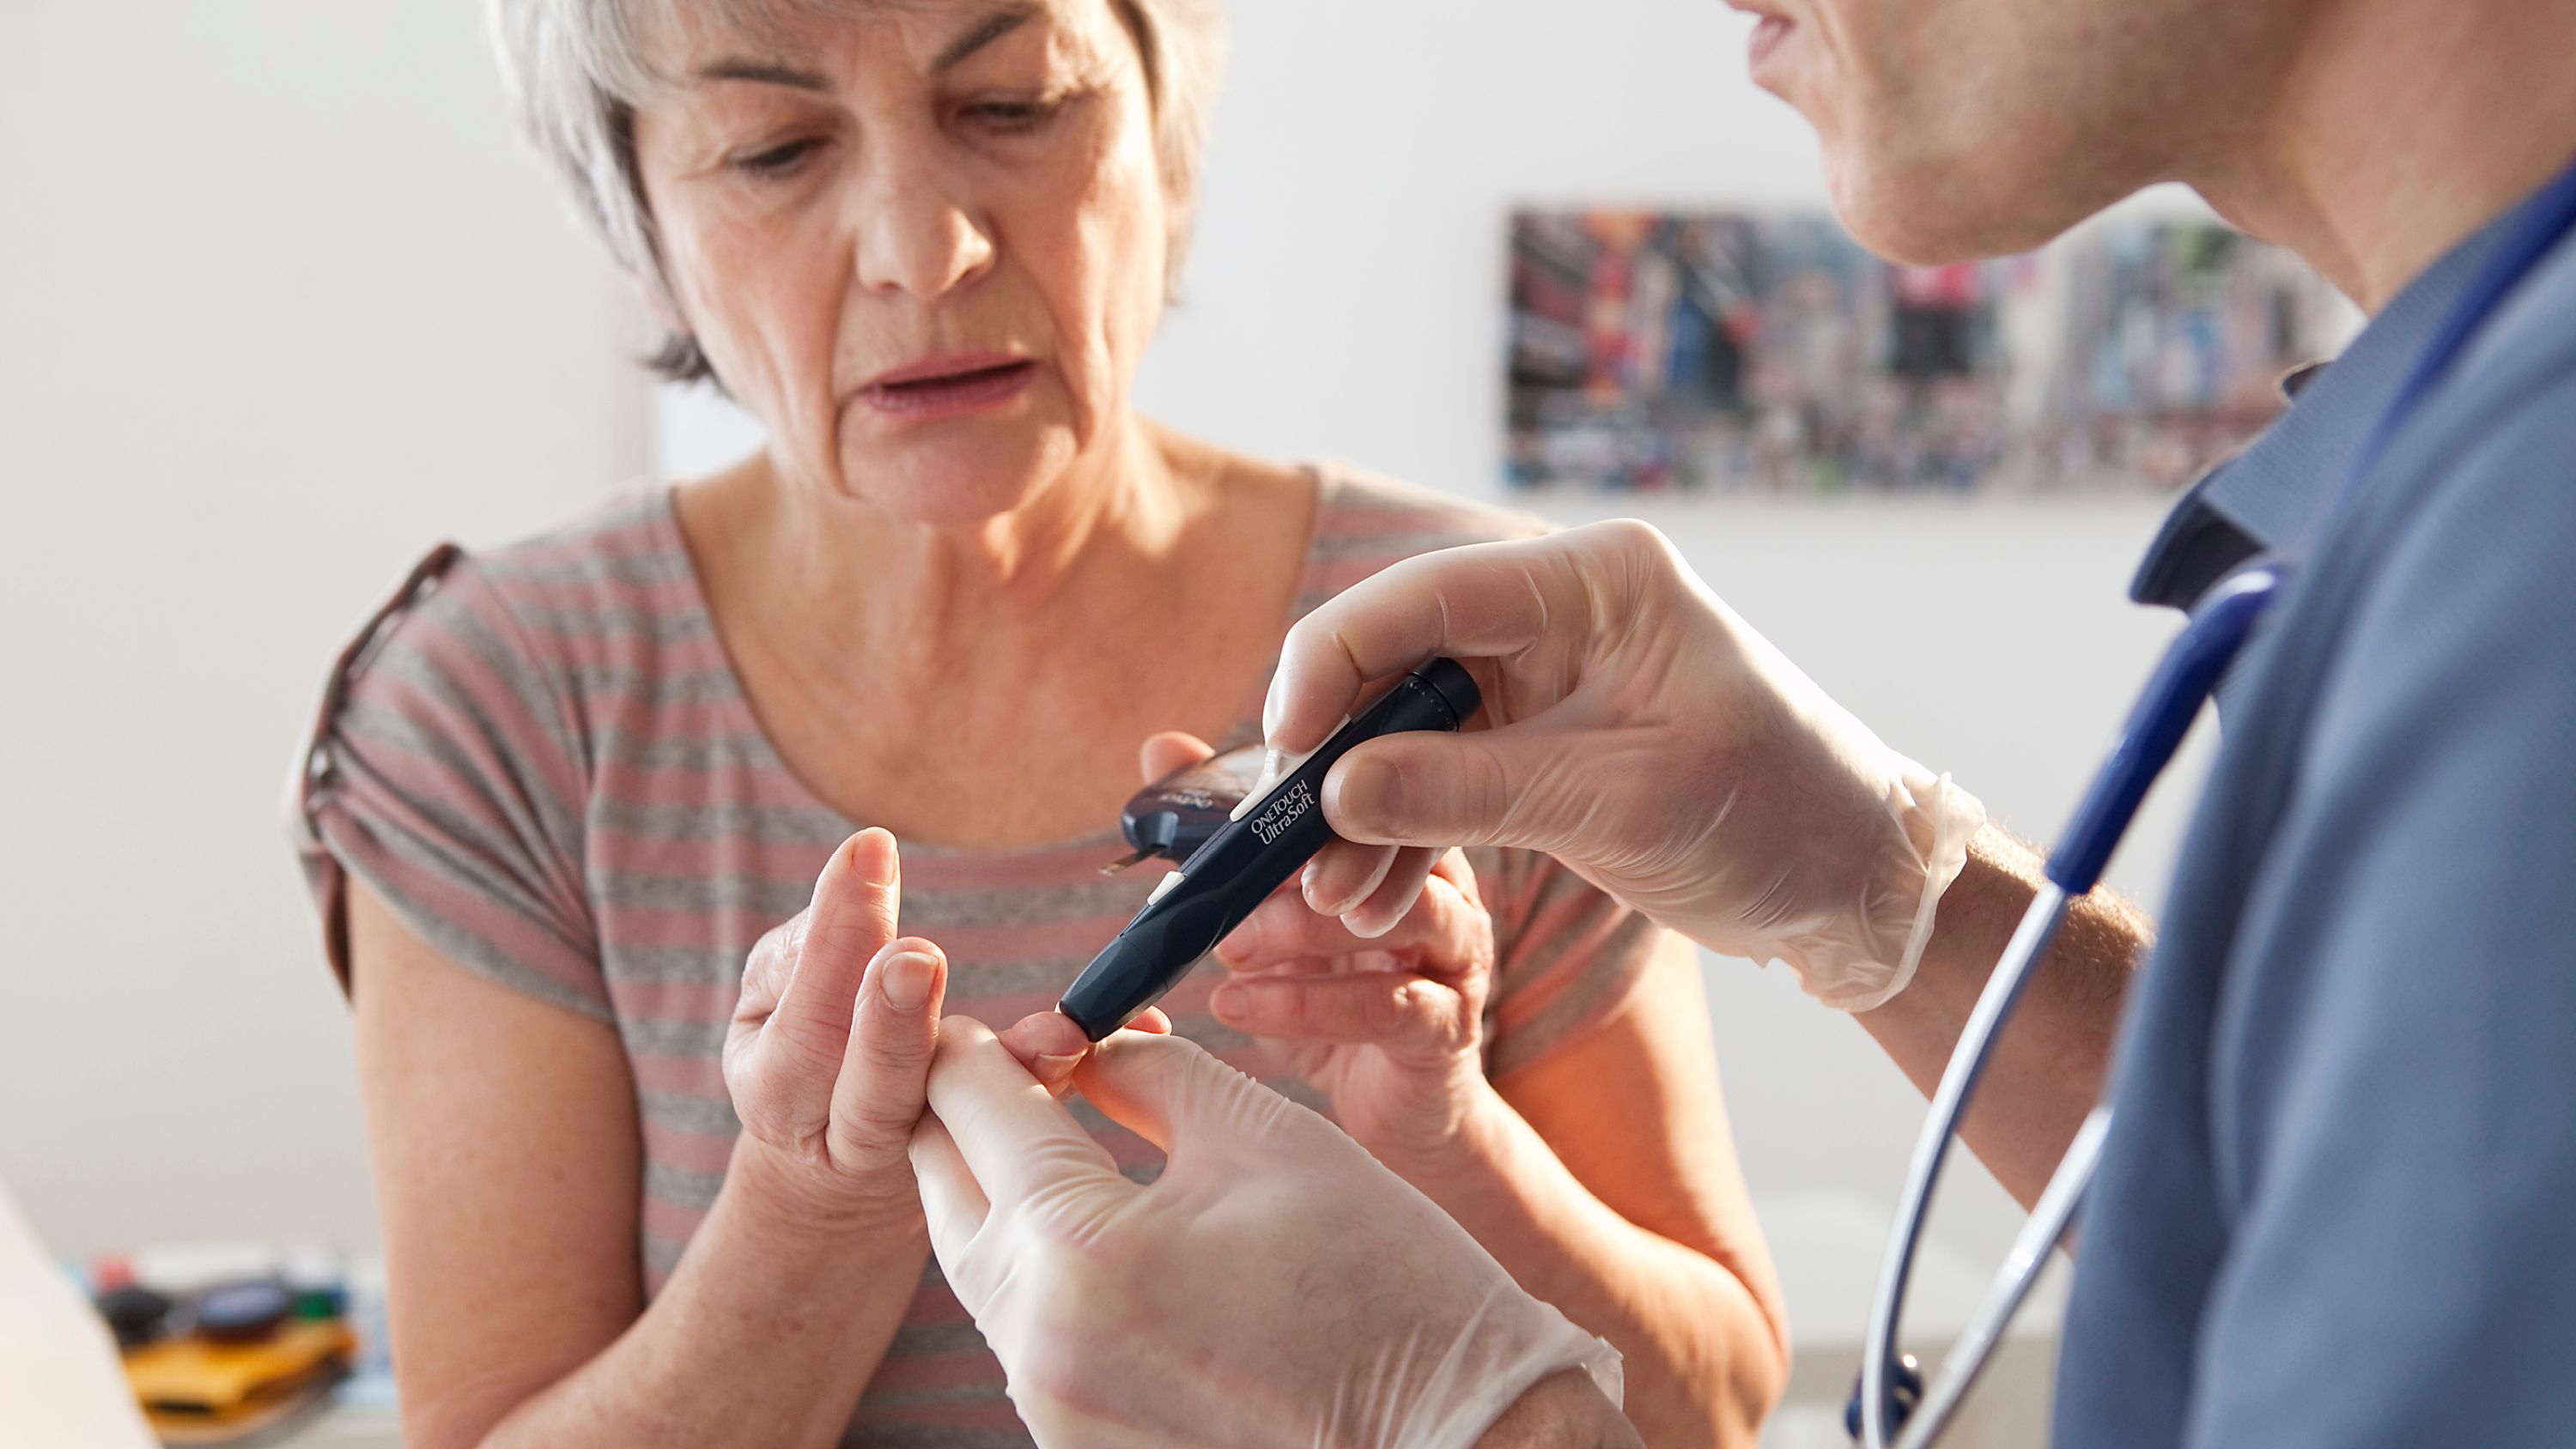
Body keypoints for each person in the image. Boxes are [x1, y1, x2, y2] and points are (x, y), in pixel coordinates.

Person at [914, 0, 2576, 1442]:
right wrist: (1892, 892)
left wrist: (1479, 1431)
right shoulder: (2477, 467)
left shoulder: (2529, 569)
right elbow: (2349, 1233)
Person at [286, 0, 1788, 1444]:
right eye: (772, 150)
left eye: (1012, 106)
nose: (925, 251)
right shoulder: (498, 703)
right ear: (641, 229)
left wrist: (1444, 1138)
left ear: (1168, 137)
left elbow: (1710, 1412)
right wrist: (814, 1213)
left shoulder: (1469, 639)